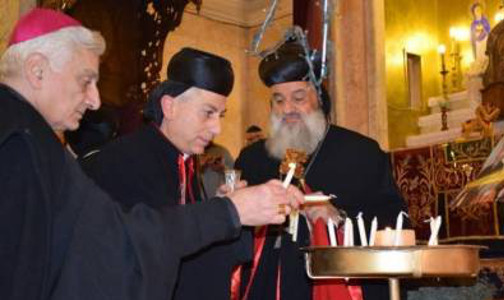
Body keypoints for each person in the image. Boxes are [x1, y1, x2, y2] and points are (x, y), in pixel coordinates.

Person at [0, 8, 303, 300]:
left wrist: (236, 212)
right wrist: (229, 212)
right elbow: (122, 244)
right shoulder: (20, 143)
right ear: (37, 70)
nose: (94, 101)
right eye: (85, 81)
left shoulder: (32, 137)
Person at [235, 39, 408, 300]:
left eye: (298, 98)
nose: (287, 109)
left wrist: (339, 219)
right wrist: (230, 206)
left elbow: (397, 223)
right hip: (266, 286)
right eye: (278, 100)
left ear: (320, 97)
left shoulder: (362, 153)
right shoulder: (252, 159)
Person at [82, 47, 250, 299]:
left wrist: (230, 212)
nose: (217, 128)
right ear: (169, 106)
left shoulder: (185, 161)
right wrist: (225, 213)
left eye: (221, 115)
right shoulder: (121, 162)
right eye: (208, 113)